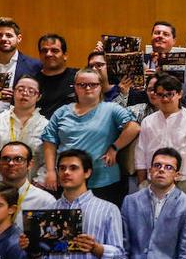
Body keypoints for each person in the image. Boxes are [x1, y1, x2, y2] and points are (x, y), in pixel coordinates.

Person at [42, 66, 139, 207]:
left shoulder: (111, 109)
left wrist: (114, 148)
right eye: (82, 85)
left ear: (100, 87)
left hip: (104, 181)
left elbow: (134, 127)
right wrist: (51, 171)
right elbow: (49, 140)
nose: (88, 88)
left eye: (93, 84)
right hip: (68, 179)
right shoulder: (62, 112)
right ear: (75, 87)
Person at [0, 76, 49, 192]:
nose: (25, 93)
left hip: (30, 186)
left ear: (39, 96)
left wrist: (40, 182)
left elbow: (49, 159)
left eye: (31, 91)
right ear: (13, 92)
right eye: (20, 89)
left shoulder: (46, 126)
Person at [133, 73, 186, 197]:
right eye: (160, 95)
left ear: (179, 94)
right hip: (152, 181)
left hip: (181, 182)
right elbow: (140, 155)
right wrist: (142, 182)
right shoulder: (147, 122)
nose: (165, 99)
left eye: (169, 94)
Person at [35, 34, 77, 118]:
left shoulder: (78, 77)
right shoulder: (32, 82)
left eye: (54, 50)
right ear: (40, 55)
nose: (48, 54)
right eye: (44, 51)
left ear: (65, 55)